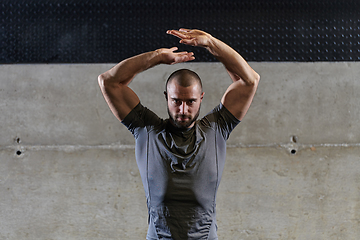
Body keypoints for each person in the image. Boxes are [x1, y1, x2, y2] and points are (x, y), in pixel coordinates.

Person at [98, 28, 260, 240]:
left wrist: (210, 43)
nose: (183, 110)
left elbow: (250, 80)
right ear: (167, 97)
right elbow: (109, 81)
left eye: (190, 102)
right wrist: (156, 57)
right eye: (176, 101)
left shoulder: (217, 127)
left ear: (201, 98)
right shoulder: (147, 129)